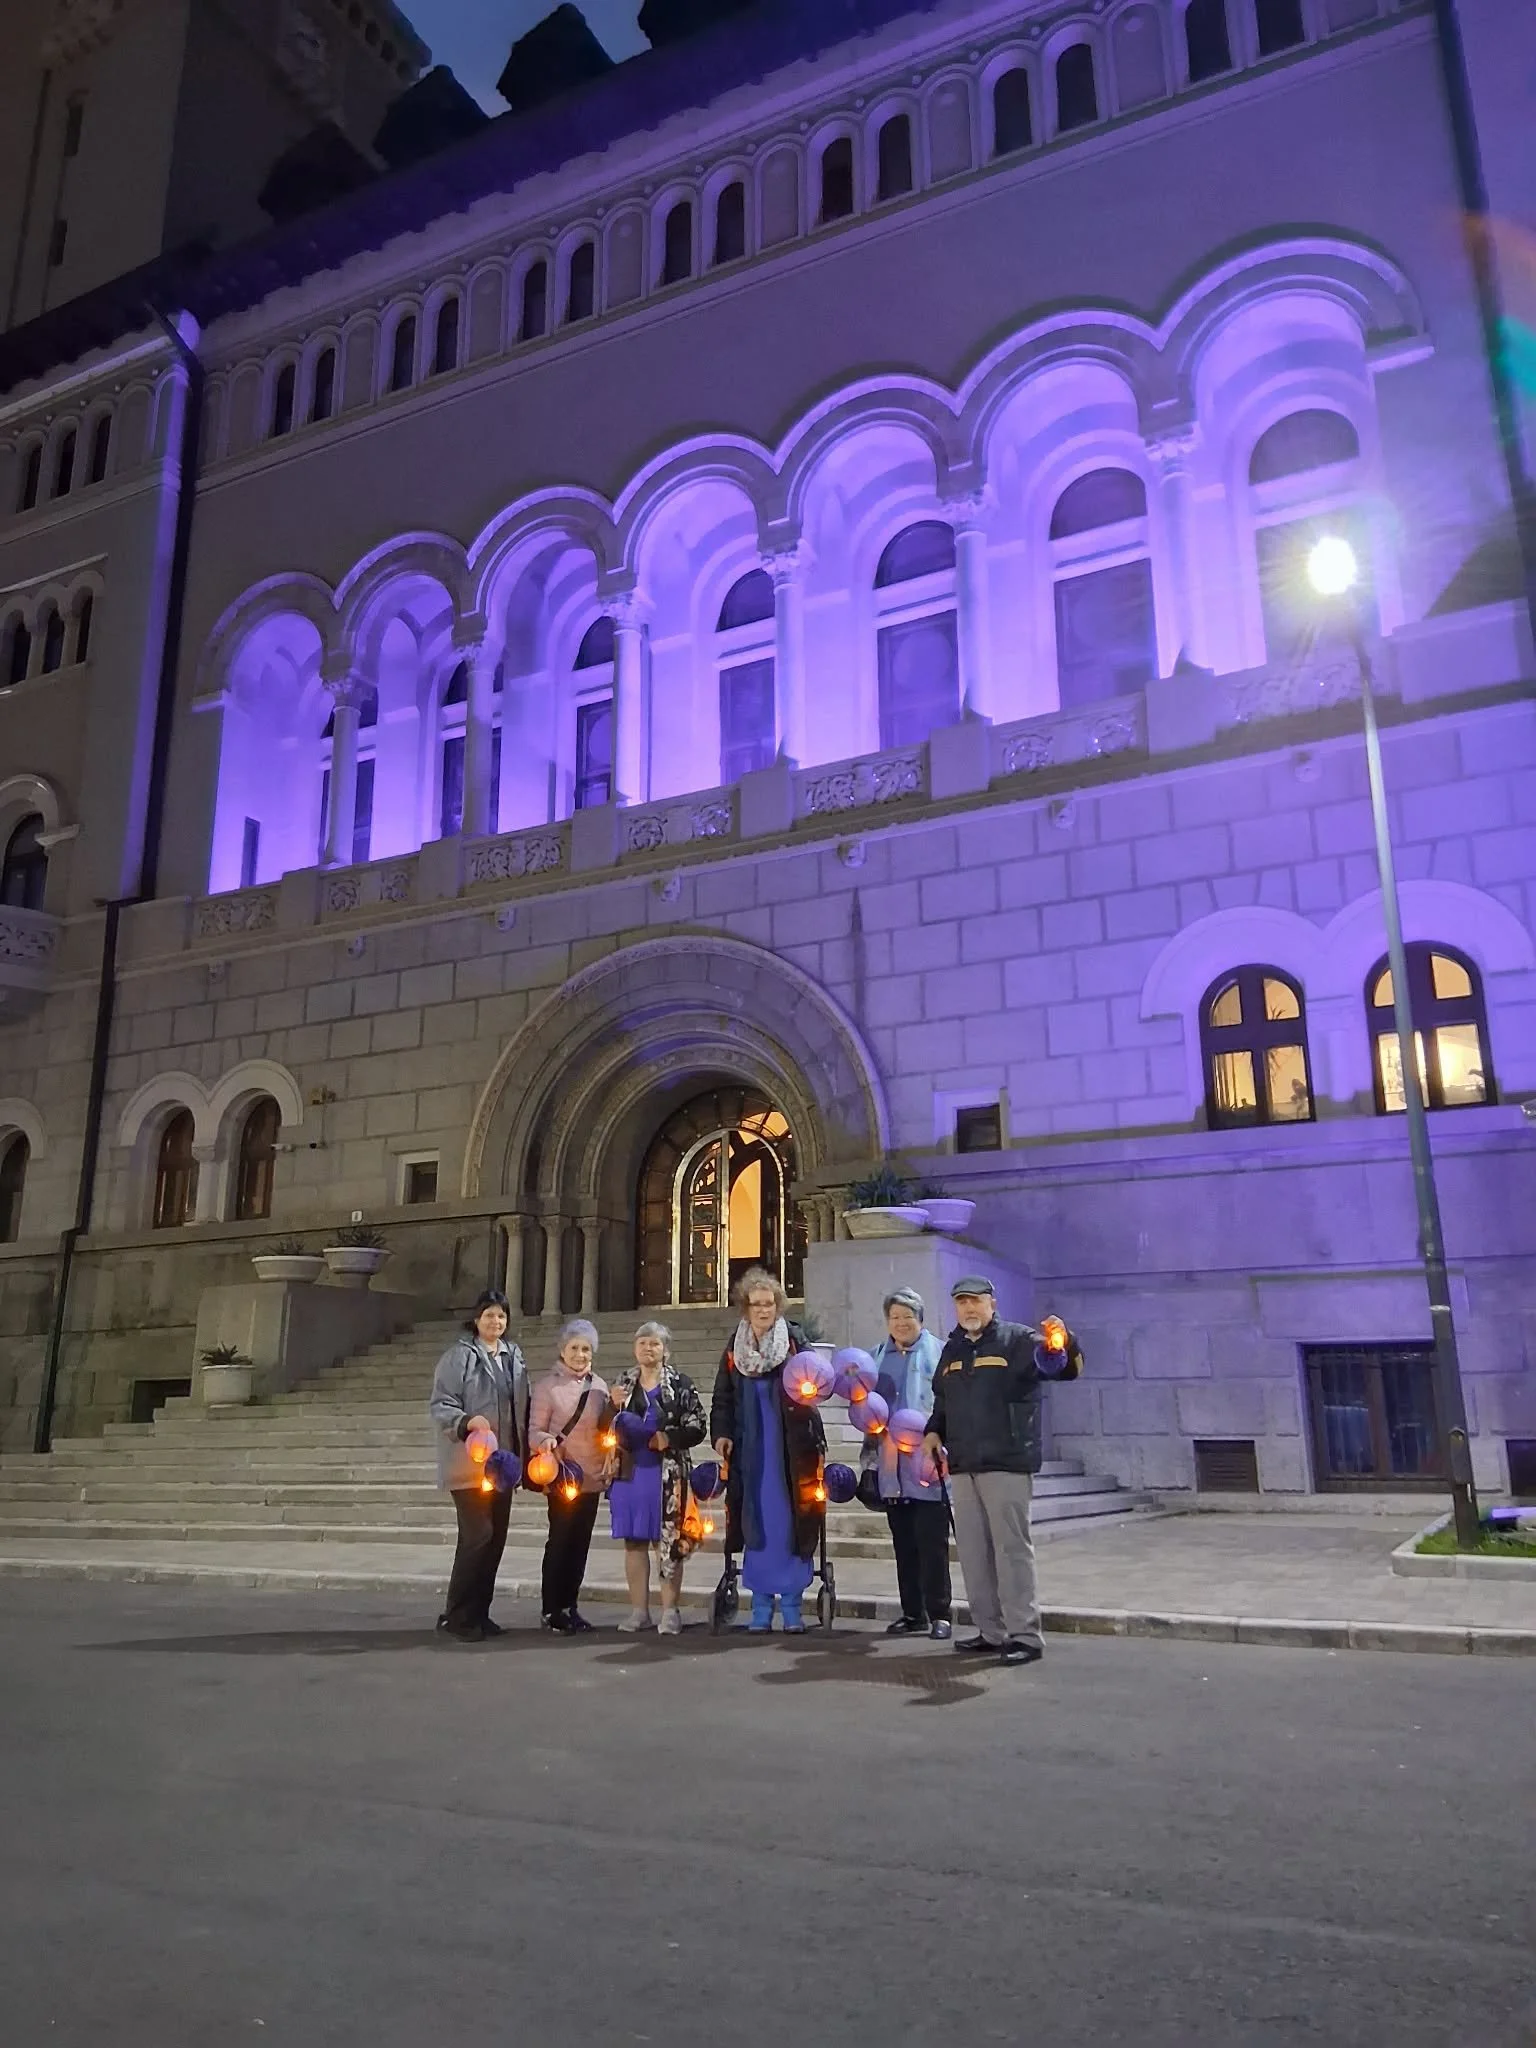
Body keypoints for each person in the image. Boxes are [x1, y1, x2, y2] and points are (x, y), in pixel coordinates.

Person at [923, 1276, 1083, 1668]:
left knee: (1011, 1552)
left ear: (992, 1303)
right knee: (974, 1555)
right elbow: (943, 1400)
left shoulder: (1017, 1340)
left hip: (1007, 1462)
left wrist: (1064, 1340)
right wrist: (932, 1431)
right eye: (962, 1302)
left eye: (976, 1301)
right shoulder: (952, 1350)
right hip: (962, 1466)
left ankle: (1025, 1635)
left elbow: (1062, 1368)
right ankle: (990, 1631)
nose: (969, 1309)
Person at [710, 1267, 826, 1633]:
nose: (763, 1310)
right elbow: (723, 1397)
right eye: (756, 1304)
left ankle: (792, 1608)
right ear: (745, 1308)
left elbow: (817, 1380)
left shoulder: (793, 1342)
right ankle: (760, 1607)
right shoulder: (735, 1348)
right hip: (751, 1449)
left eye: (769, 1303)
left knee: (791, 1521)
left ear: (778, 1306)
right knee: (754, 1519)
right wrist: (721, 1434)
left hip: (790, 1448)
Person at [428, 1288, 529, 1642]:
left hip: (502, 1464)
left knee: (495, 1538)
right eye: (489, 1315)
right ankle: (457, 1614)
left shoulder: (513, 1356)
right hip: (470, 1462)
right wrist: (467, 1421)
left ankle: (480, 1613)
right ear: (476, 1318)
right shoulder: (458, 1357)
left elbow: (522, 1408)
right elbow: (442, 1403)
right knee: (477, 1536)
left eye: (501, 1316)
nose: (496, 1322)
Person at [606, 1321, 709, 1635]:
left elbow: (698, 1425)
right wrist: (611, 1404)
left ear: (666, 1349)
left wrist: (669, 1437)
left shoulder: (680, 1384)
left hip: (667, 1475)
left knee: (668, 1544)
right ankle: (639, 1611)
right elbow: (604, 1426)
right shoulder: (622, 1384)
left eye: (655, 1344)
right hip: (629, 1473)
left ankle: (669, 1611)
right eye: (642, 1343)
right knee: (634, 1543)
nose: (648, 1349)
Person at [865, 1286, 951, 1642]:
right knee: (903, 1543)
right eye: (894, 1317)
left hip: (927, 1461)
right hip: (890, 1464)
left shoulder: (941, 1353)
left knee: (932, 1543)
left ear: (920, 1319)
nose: (900, 1323)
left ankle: (940, 1614)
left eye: (907, 1316)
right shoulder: (875, 1357)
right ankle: (912, 1612)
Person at [529, 1318, 613, 1633]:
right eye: (575, 1348)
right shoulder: (547, 1386)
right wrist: (545, 1442)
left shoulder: (600, 1387)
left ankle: (570, 1606)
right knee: (561, 1542)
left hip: (591, 1477)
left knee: (580, 1544)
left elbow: (605, 1429)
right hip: (563, 1476)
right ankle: (551, 1609)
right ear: (563, 1350)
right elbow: (534, 1431)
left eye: (586, 1349)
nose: (580, 1354)